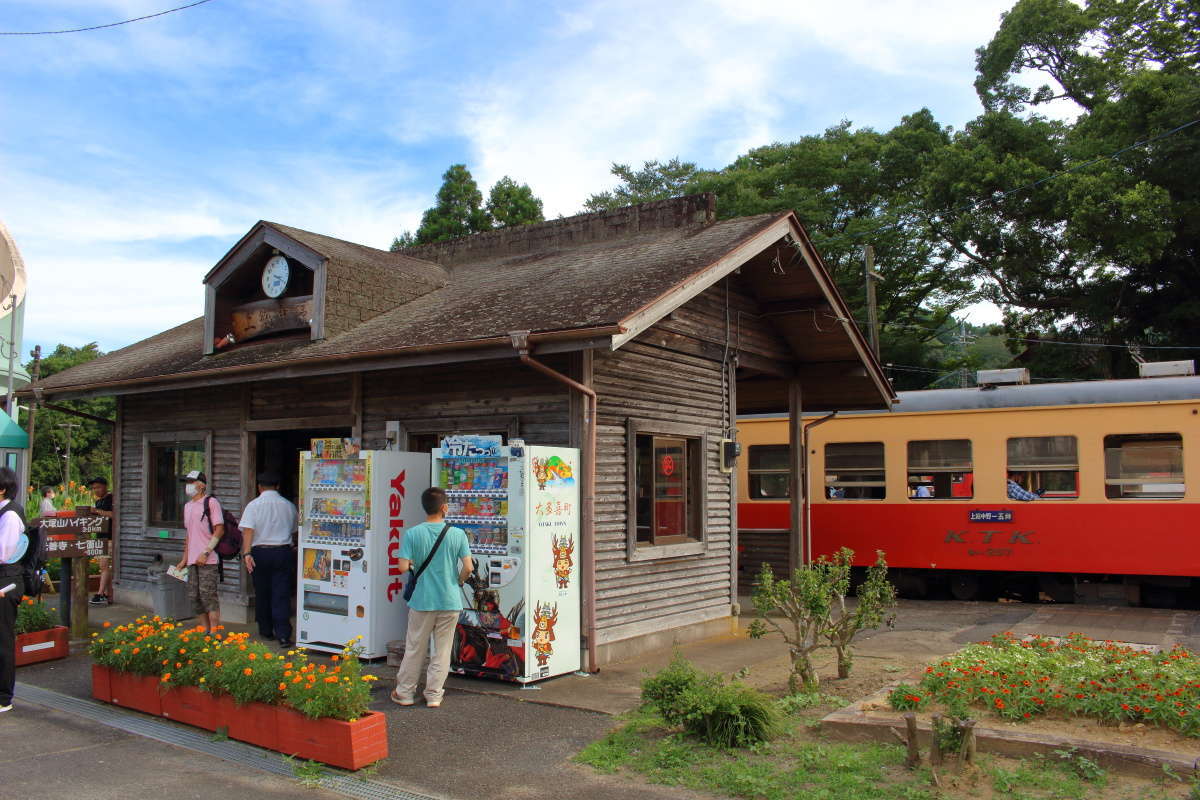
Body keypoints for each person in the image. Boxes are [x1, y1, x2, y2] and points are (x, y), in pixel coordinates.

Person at [392, 486, 472, 709]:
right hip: (449, 600)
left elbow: (401, 568)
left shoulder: (413, 534)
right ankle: (434, 695)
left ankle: (405, 693)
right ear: (444, 508)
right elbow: (468, 567)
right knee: (442, 650)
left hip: (422, 600)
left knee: (415, 647)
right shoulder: (457, 534)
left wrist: (412, 564)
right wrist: (459, 581)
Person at [239, 471, 298, 648]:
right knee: (281, 593)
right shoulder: (288, 505)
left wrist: (246, 553)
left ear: (259, 487)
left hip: (259, 552)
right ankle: (283, 636)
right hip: (282, 552)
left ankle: (266, 630)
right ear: (278, 486)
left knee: (262, 592)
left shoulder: (254, 505)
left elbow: (248, 530)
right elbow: (294, 529)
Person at [175, 470, 223, 634]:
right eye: (187, 482)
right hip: (192, 560)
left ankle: (215, 632)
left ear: (201, 485)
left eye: (191, 482)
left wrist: (206, 552)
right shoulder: (187, 507)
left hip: (208, 559)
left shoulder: (211, 502)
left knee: (208, 595)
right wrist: (184, 559)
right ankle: (205, 629)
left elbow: (219, 530)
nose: (188, 486)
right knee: (194, 597)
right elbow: (189, 535)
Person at [0, 467, 27, 713]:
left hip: (6, 582)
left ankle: (3, 697)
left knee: (2, 640)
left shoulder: (10, 515)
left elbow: (4, 554)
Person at [89, 477, 114, 606]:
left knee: (104, 566)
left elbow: (114, 514)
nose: (96, 490)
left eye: (98, 487)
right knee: (104, 567)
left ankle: (100, 593)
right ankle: (108, 595)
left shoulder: (111, 499)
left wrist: (97, 511)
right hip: (101, 538)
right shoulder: (99, 501)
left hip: (110, 538)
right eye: (93, 488)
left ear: (105, 486)